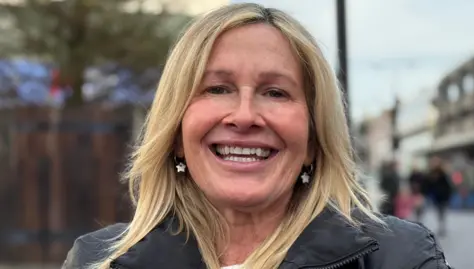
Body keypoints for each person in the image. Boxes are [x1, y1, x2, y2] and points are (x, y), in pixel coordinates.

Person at [63, 3, 451, 269]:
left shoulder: (400, 258)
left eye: (275, 92)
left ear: (314, 141)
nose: (245, 116)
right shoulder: (99, 260)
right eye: (217, 88)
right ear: (176, 133)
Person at [426, 157, 453, 237]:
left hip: (443, 196)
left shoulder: (443, 174)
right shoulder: (431, 174)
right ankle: (441, 225)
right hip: (436, 197)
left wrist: (448, 195)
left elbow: (448, 186)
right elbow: (428, 185)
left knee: (442, 212)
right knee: (438, 212)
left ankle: (442, 227)